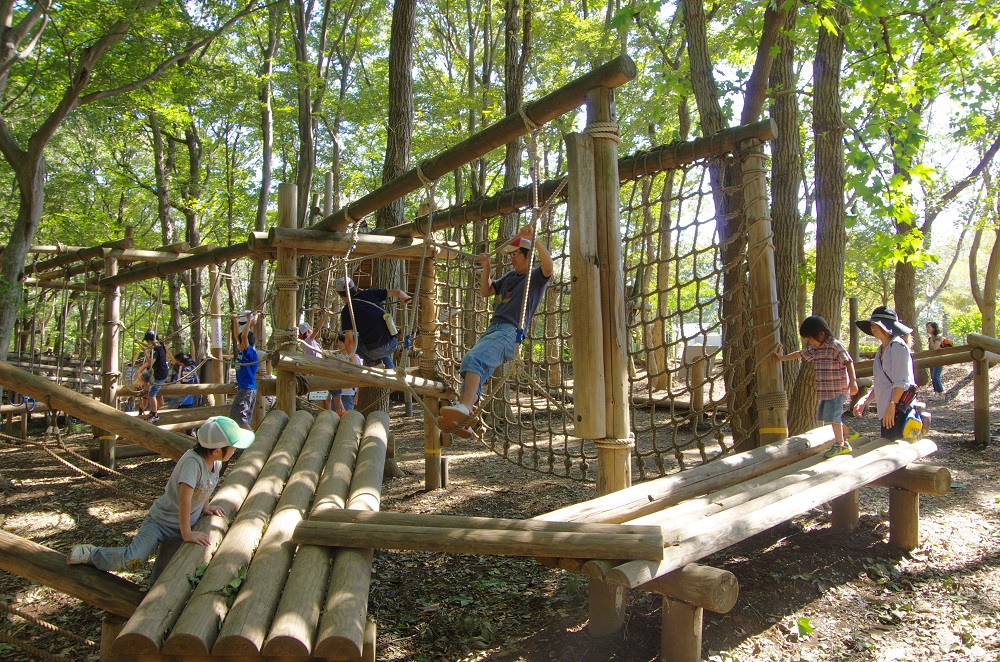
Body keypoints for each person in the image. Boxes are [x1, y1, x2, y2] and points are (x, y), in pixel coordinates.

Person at [66, 416, 255, 583]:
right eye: (233, 447)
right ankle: (92, 554)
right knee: (133, 560)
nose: (235, 450)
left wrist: (205, 506)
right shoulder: (192, 463)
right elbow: (185, 500)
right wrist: (187, 533)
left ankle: (148, 599)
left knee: (164, 575)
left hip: (180, 527)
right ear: (216, 450)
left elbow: (205, 486)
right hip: (160, 522)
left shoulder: (216, 462)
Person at [438, 225, 553, 438]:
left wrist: (534, 238)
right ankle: (466, 419)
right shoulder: (510, 276)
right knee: (471, 373)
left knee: (473, 359)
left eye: (515, 253)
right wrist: (487, 268)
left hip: (510, 332)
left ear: (527, 254)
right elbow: (486, 291)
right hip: (494, 330)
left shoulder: (534, 277)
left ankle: (464, 408)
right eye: (510, 254)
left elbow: (549, 266)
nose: (511, 258)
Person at [775, 315, 860, 458]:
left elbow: (848, 362)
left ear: (820, 333)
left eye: (810, 338)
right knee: (827, 416)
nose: (810, 342)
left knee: (833, 417)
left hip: (837, 389)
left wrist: (853, 381)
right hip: (825, 391)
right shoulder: (815, 349)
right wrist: (782, 358)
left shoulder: (834, 345)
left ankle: (841, 444)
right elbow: (799, 354)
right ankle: (847, 432)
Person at [852, 306, 916, 440]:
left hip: (899, 410)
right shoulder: (881, 350)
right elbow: (883, 383)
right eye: (872, 325)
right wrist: (865, 400)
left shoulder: (898, 347)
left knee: (896, 451)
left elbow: (902, 381)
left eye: (877, 325)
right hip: (887, 411)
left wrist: (892, 406)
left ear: (887, 326)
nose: (873, 328)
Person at [334, 277, 411, 368]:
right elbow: (398, 292)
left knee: (342, 338)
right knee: (379, 340)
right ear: (354, 287)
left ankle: (374, 362)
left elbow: (349, 341)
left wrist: (353, 365)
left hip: (375, 350)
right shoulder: (369, 293)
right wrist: (405, 297)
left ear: (340, 295)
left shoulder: (347, 310)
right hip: (393, 343)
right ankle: (390, 369)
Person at [229, 312, 259, 430]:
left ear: (244, 342)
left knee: (239, 417)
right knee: (241, 417)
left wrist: (247, 322)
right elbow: (239, 335)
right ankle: (246, 442)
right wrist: (235, 321)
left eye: (240, 341)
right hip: (244, 388)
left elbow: (243, 336)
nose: (238, 343)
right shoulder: (243, 351)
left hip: (247, 389)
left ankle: (252, 440)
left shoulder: (250, 352)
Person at [139, 330, 170, 424]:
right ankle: (146, 388)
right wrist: (138, 341)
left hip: (160, 374)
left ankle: (155, 415)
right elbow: (149, 346)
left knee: (152, 395)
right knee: (143, 375)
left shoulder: (156, 351)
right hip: (157, 372)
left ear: (149, 340)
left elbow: (149, 363)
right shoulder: (160, 345)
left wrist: (144, 352)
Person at [329, 333, 363, 415]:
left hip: (348, 394)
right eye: (338, 342)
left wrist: (357, 395)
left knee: (347, 417)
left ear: (346, 344)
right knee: (335, 417)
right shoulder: (336, 358)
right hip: (336, 395)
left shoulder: (356, 359)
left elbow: (359, 379)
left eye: (340, 342)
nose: (338, 344)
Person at [926, 322, 945, 399]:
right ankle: (936, 393)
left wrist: (931, 340)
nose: (927, 329)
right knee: (932, 377)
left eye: (929, 327)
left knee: (935, 376)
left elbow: (935, 347)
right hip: (932, 359)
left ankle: (941, 394)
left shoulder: (938, 337)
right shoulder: (930, 338)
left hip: (939, 359)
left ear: (933, 328)